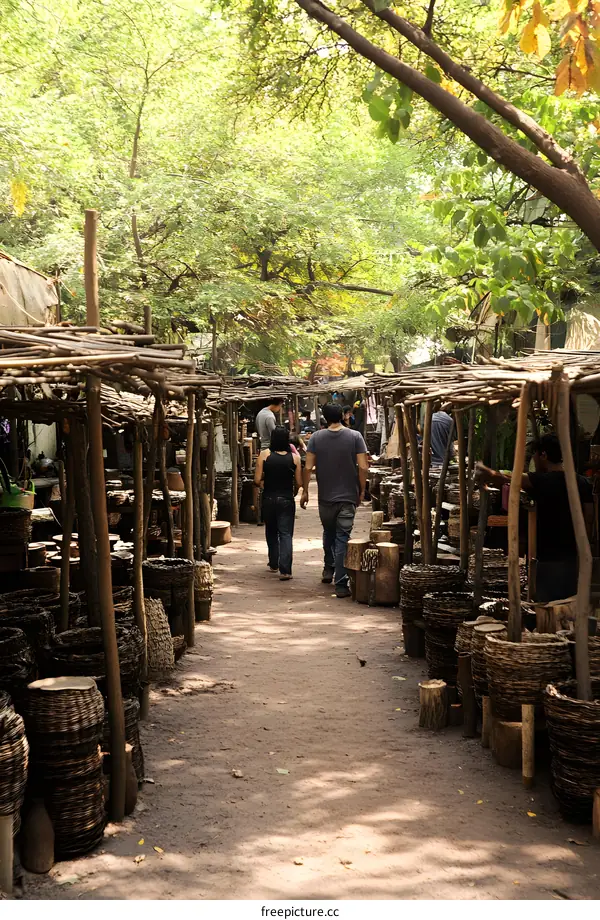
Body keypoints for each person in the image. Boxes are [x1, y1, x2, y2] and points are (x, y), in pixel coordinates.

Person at [476, 432, 594, 603]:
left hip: (548, 559)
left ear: (543, 455)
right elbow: (589, 517)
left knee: (545, 607)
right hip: (573, 558)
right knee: (569, 606)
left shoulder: (543, 481)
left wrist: (485, 471)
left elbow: (508, 478)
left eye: (535, 456)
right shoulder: (582, 482)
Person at [300, 403, 369, 598]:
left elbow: (308, 468)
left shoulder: (316, 437)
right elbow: (363, 467)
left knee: (329, 533)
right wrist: (361, 490)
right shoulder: (355, 436)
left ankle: (328, 567)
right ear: (342, 416)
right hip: (348, 496)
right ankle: (340, 584)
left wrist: (305, 491)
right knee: (342, 539)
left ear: (324, 418)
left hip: (325, 498)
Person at [254, 426, 302, 581]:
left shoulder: (265, 455)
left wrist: (262, 482)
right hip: (287, 499)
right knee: (286, 533)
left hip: (268, 498)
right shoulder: (295, 458)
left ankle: (273, 563)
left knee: (271, 531)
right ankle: (286, 570)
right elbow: (299, 482)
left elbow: (256, 480)